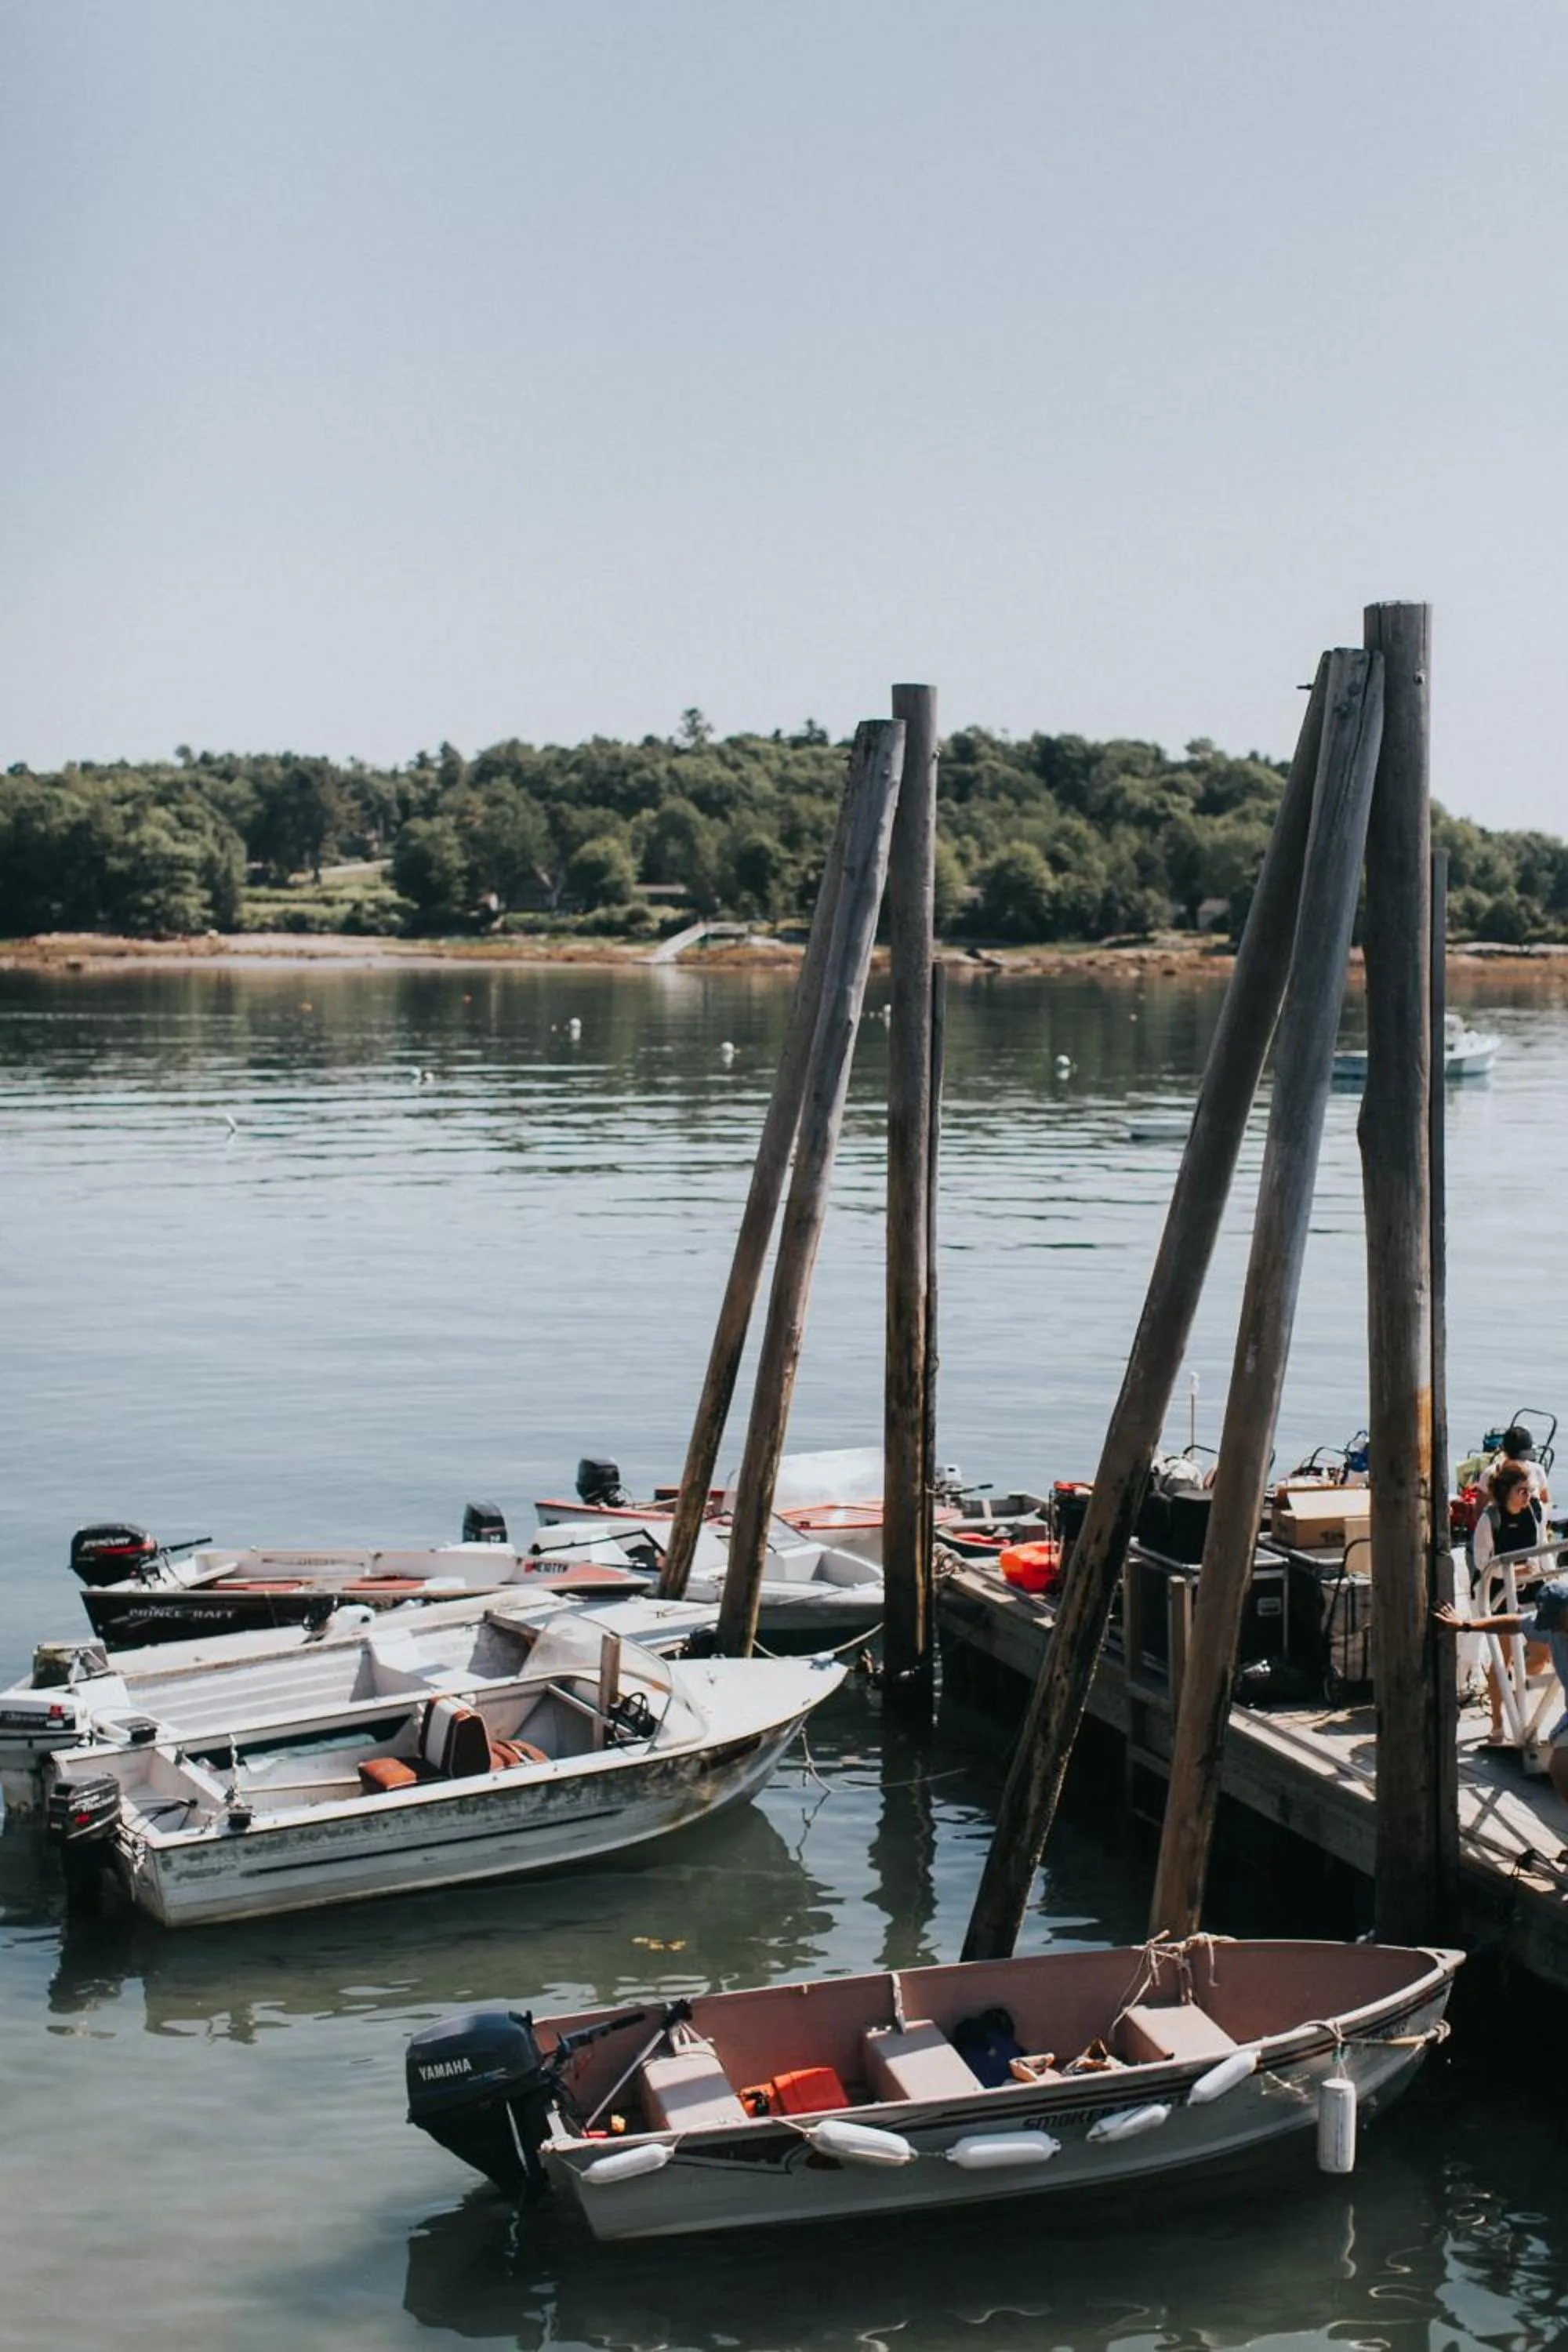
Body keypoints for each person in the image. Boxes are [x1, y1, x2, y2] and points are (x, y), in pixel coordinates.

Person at [1437, 1574, 1568, 1800]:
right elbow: (1514, 1623)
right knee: (1560, 1766)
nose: (1554, 1629)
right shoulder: (1551, 1629)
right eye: (1550, 1623)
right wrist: (1466, 1625)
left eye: (1557, 1622)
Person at [1469, 1460, 1550, 1742]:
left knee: (1541, 1655)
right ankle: (1498, 1721)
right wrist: (1514, 1571)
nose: (1528, 1496)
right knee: (1502, 1658)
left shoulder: (1535, 1511)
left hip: (1532, 1587)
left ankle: (1515, 1688)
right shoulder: (1490, 1519)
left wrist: (1549, 1580)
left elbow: (1542, 1549)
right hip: (1501, 1592)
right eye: (1522, 1491)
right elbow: (1482, 1562)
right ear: (1506, 1491)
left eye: (1530, 1490)